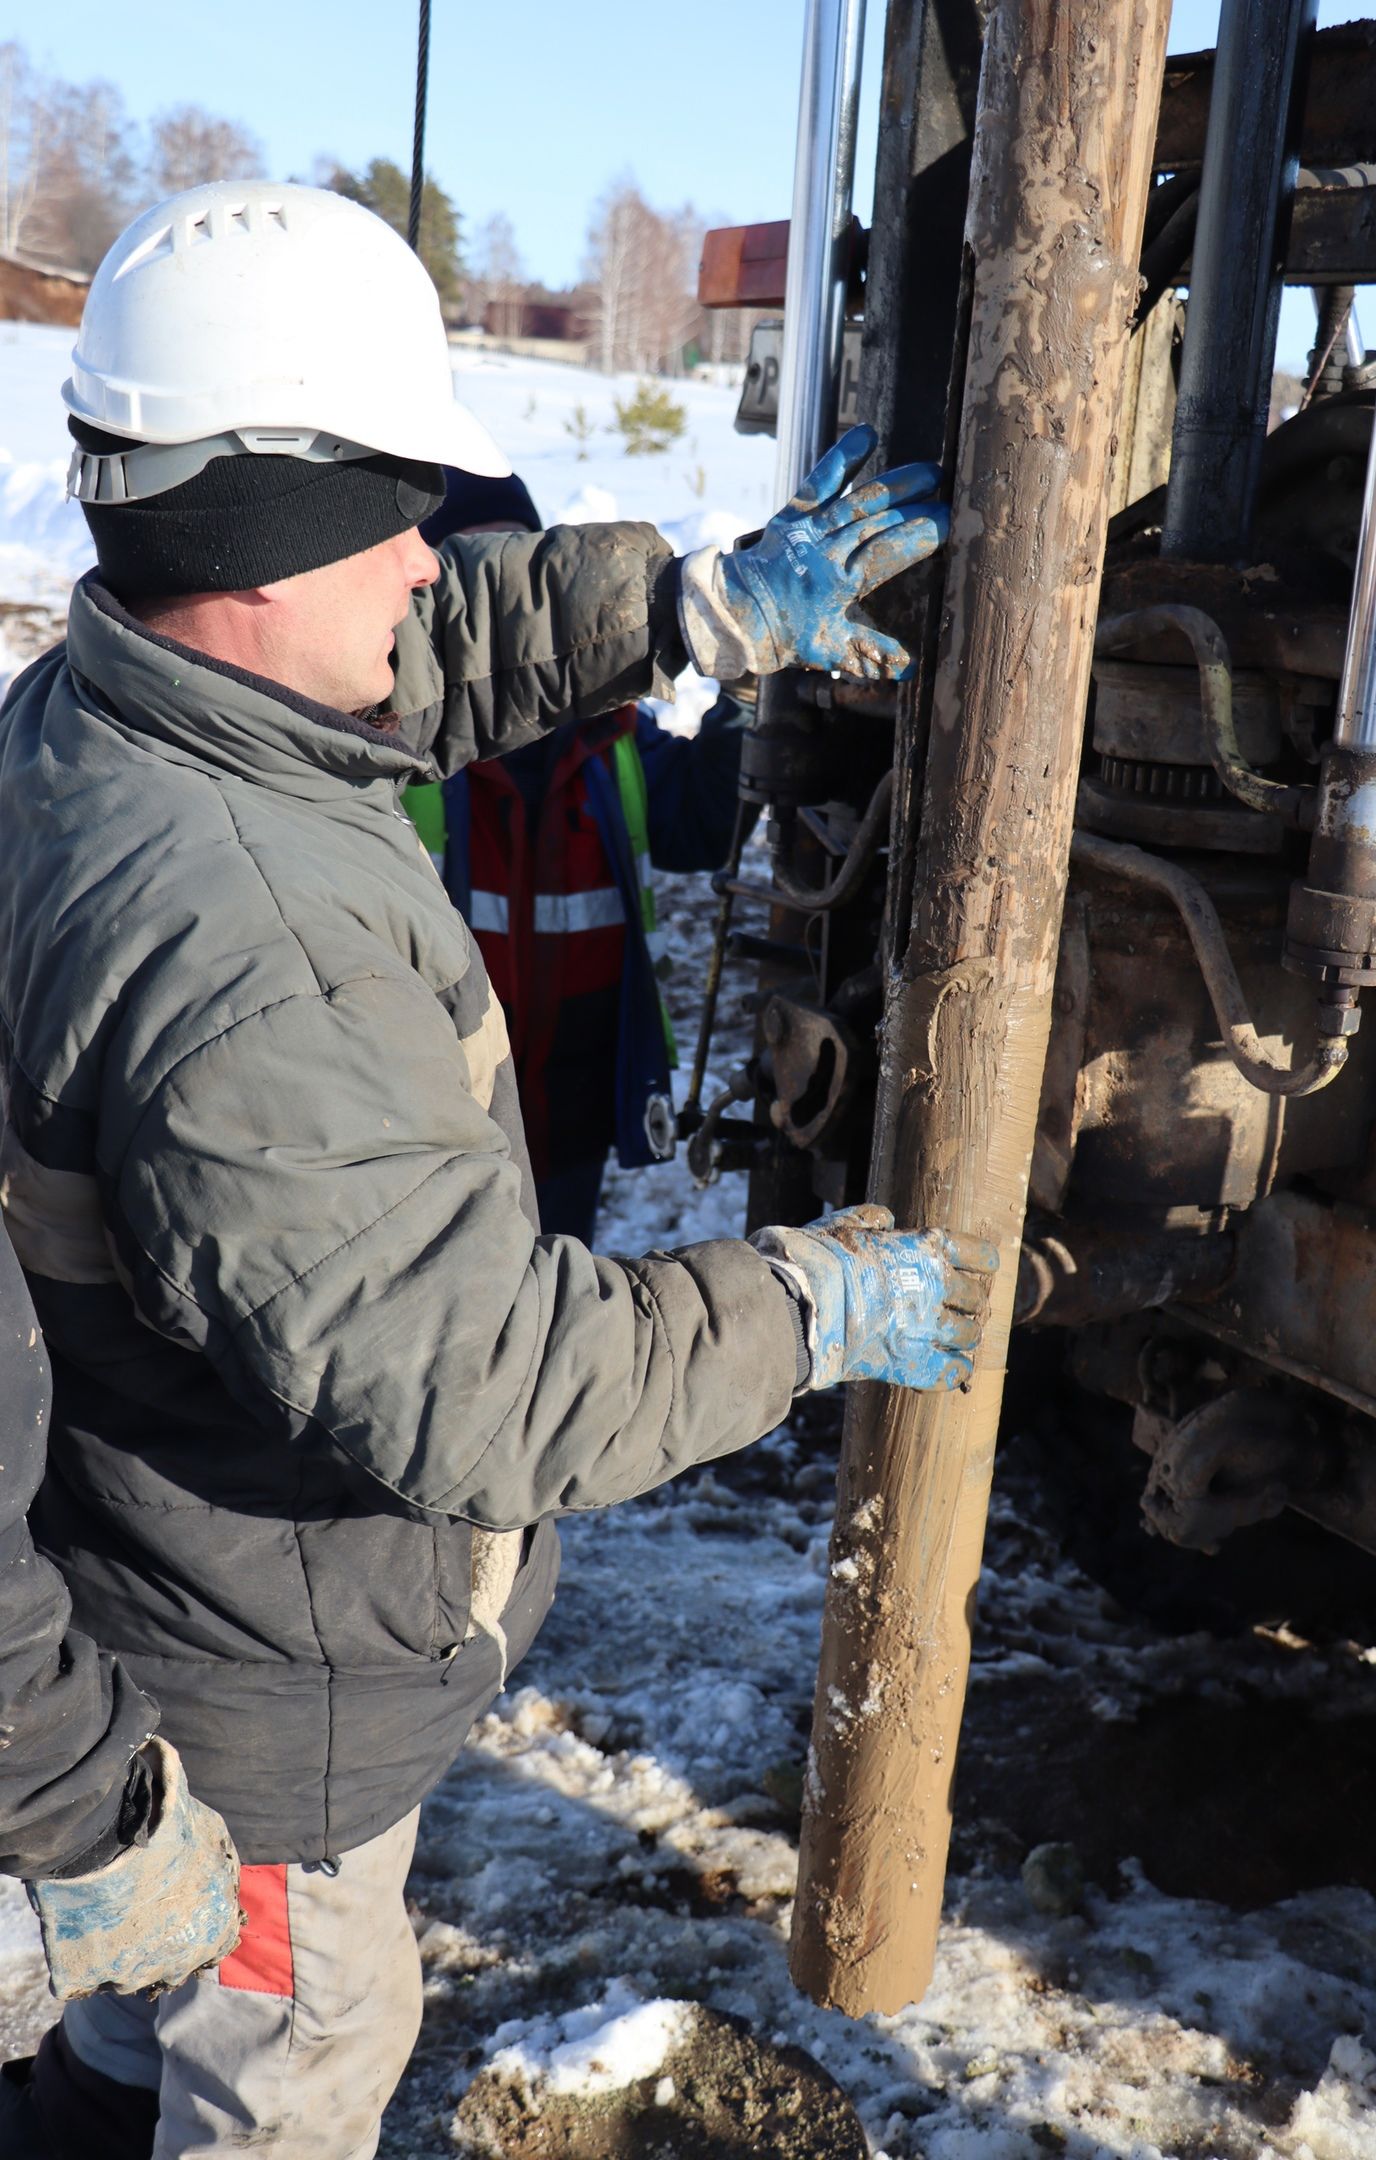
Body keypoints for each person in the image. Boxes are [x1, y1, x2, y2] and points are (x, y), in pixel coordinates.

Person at [0, 181, 997, 2159]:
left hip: (174, 1597)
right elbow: (488, 1390)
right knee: (285, 2071)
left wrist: (679, 616)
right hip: (261, 1701)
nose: (424, 561)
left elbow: (416, 663)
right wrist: (793, 1307)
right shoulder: (247, 952)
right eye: (390, 511)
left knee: (144, 2045)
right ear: (252, 531)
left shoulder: (119, 706)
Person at [411, 467, 744, 1242]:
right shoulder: (394, 754)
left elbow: (698, 830)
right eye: (469, 575)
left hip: (566, 1123)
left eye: (511, 570)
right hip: (434, 1131)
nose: (492, 609)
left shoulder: (609, 737)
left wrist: (743, 704)